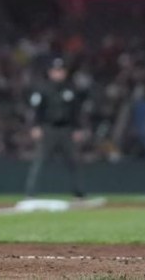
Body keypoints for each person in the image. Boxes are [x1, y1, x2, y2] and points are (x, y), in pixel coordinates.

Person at [24, 57, 88, 199]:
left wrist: (78, 128)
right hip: (48, 129)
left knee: (74, 161)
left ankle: (79, 193)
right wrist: (34, 126)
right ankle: (30, 193)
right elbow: (35, 110)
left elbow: (76, 111)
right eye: (56, 70)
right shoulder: (42, 88)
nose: (58, 73)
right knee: (40, 161)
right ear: (50, 72)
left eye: (61, 70)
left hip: (66, 129)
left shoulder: (71, 89)